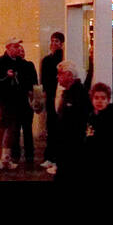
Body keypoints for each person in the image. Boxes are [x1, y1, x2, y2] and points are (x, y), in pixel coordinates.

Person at [0, 37, 37, 172]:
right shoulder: (0, 62)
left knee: (12, 127)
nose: (18, 49)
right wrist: (6, 77)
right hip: (1, 98)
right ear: (8, 48)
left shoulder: (20, 63)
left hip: (14, 99)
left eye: (18, 47)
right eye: (15, 47)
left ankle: (6, 157)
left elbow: (26, 79)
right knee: (0, 126)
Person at [52, 60, 90, 182]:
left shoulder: (79, 94)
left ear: (69, 75)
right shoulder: (68, 93)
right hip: (66, 147)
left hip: (72, 148)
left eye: (60, 73)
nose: (57, 76)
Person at [83, 82, 113, 181]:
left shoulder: (111, 119)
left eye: (103, 98)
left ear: (108, 100)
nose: (99, 101)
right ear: (91, 99)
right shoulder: (91, 116)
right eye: (96, 98)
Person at [40, 31, 65, 172]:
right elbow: (44, 80)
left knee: (58, 126)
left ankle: (55, 157)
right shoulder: (47, 60)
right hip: (50, 96)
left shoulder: (62, 58)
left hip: (59, 95)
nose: (54, 44)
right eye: (53, 41)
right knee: (51, 126)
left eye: (57, 41)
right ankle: (49, 156)